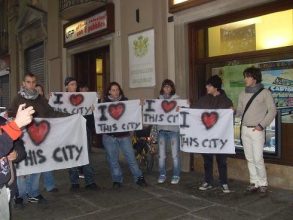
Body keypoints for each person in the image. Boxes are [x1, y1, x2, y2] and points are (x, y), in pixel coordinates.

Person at [7, 73, 69, 205]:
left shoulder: (40, 99)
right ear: (23, 83)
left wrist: (70, 116)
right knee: (23, 169)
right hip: (23, 139)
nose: (31, 84)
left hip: (39, 139)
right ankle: (20, 195)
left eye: (33, 82)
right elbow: (11, 114)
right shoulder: (17, 99)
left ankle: (34, 193)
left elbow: (51, 113)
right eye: (28, 82)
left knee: (37, 167)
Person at [236, 67, 276, 195]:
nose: (245, 79)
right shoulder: (242, 93)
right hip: (244, 129)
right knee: (249, 158)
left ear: (254, 78)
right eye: (245, 76)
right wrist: (231, 112)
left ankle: (263, 183)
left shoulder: (265, 93)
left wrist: (261, 125)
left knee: (258, 158)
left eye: (247, 76)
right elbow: (240, 111)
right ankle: (254, 182)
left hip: (257, 130)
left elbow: (272, 110)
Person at [102, 82, 147, 189]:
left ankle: (139, 177)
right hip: (109, 136)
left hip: (124, 136)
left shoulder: (126, 102)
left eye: (117, 89)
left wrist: (138, 104)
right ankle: (117, 180)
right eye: (113, 90)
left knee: (131, 157)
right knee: (113, 160)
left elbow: (131, 113)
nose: (116, 92)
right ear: (109, 91)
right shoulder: (104, 103)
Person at [195, 75, 233, 193]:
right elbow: (193, 111)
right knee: (207, 160)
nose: (207, 87)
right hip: (206, 137)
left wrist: (232, 111)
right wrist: (182, 108)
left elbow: (229, 117)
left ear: (215, 87)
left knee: (221, 160)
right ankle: (208, 181)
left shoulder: (226, 101)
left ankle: (224, 182)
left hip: (220, 137)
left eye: (209, 85)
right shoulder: (203, 100)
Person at [0, 104, 34, 220]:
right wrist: (15, 127)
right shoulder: (9, 126)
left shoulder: (3, 122)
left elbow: (20, 147)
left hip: (4, 188)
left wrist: (17, 154)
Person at [64, 77, 98, 191]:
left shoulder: (83, 98)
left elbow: (89, 115)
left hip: (83, 129)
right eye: (72, 84)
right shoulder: (62, 99)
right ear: (67, 86)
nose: (75, 87)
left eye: (75, 84)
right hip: (69, 131)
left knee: (86, 155)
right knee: (71, 155)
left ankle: (90, 181)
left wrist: (93, 108)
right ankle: (74, 183)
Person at [35, 84, 58, 193]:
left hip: (46, 136)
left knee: (47, 160)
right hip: (33, 138)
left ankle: (50, 185)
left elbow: (54, 115)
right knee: (35, 162)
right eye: (36, 90)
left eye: (40, 91)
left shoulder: (47, 104)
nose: (38, 92)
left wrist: (53, 101)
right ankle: (32, 190)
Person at [157, 79, 181, 184]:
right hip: (161, 130)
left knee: (175, 155)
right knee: (161, 155)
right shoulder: (158, 100)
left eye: (169, 86)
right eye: (165, 86)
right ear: (162, 88)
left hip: (173, 130)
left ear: (172, 88)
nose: (167, 88)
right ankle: (162, 174)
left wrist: (183, 107)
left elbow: (183, 112)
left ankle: (176, 175)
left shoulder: (178, 100)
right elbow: (153, 113)